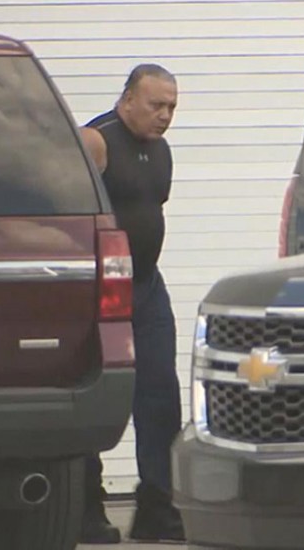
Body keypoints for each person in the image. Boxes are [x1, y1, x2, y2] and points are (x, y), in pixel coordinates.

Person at [78, 64, 183, 544]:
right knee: (94, 392)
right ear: (127, 101)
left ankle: (157, 505)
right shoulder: (97, 141)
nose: (165, 116)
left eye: (172, 108)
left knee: (160, 392)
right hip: (99, 290)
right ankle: (85, 504)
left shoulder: (160, 152)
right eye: (156, 105)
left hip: (146, 285)